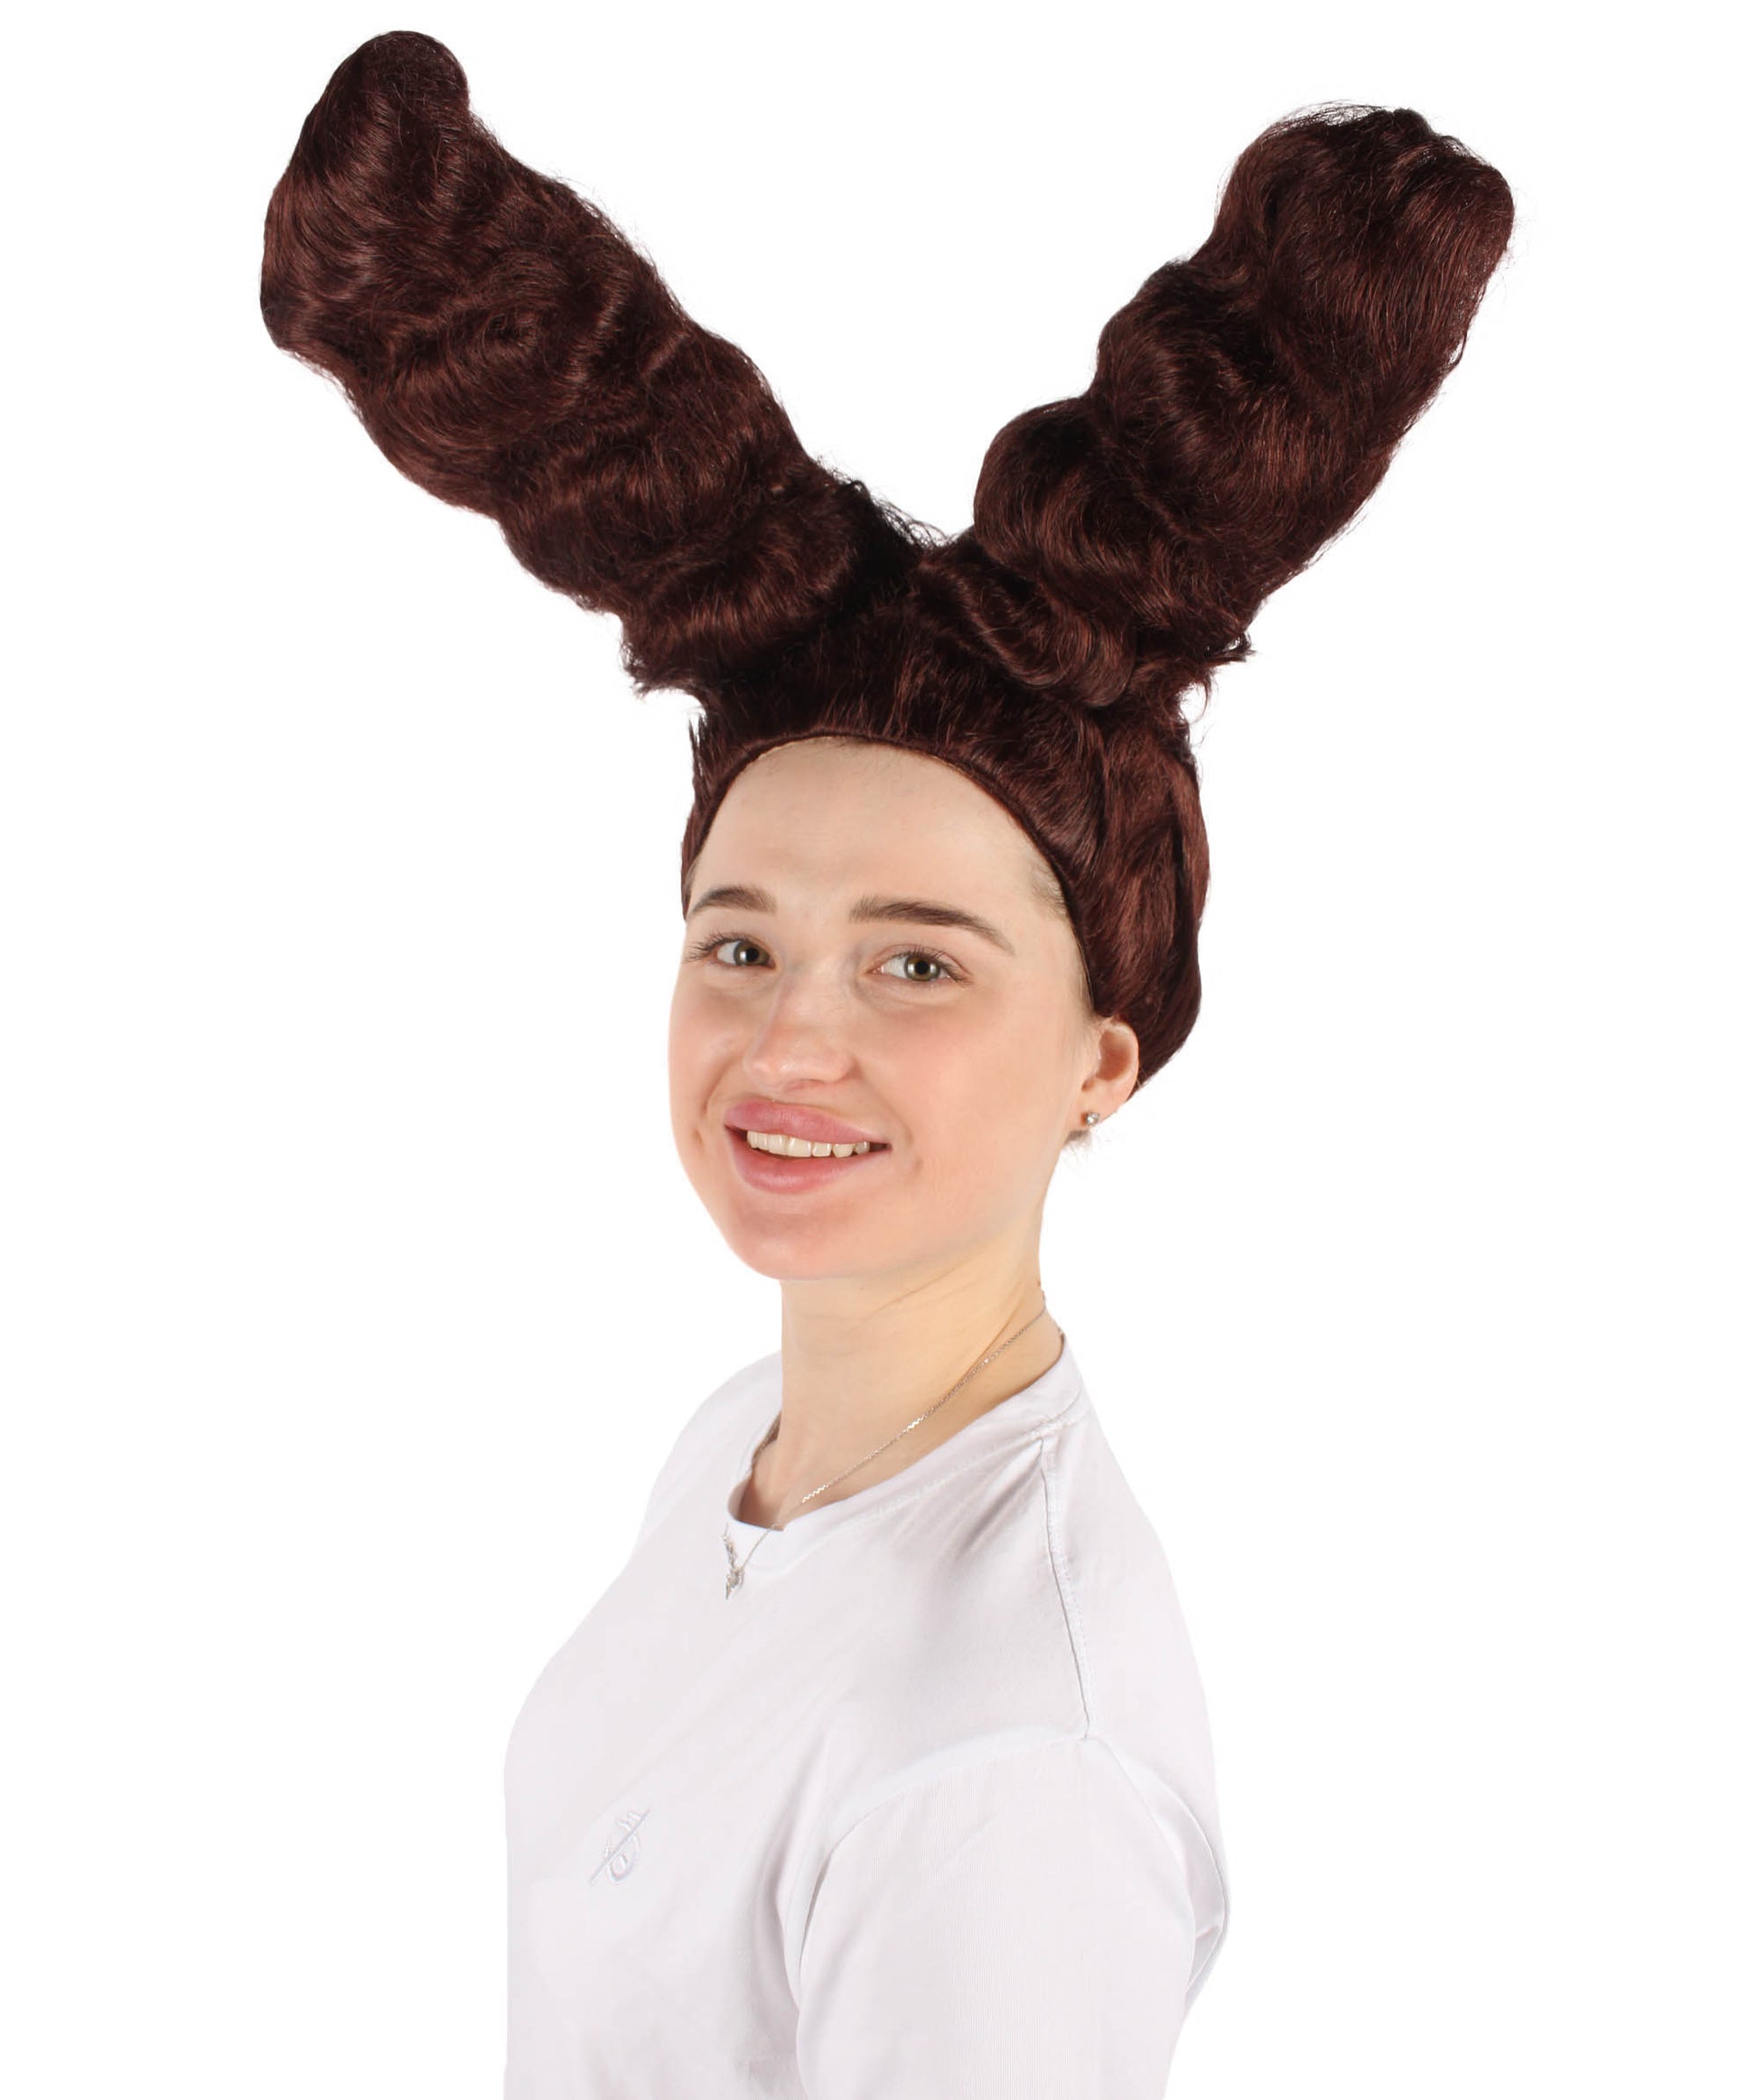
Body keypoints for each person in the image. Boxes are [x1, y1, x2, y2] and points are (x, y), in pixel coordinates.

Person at [260, 33, 1513, 2095]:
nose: (788, 1037)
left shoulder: (1008, 1763)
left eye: (918, 961)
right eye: (739, 939)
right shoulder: (744, 1449)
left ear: (1102, 1057)